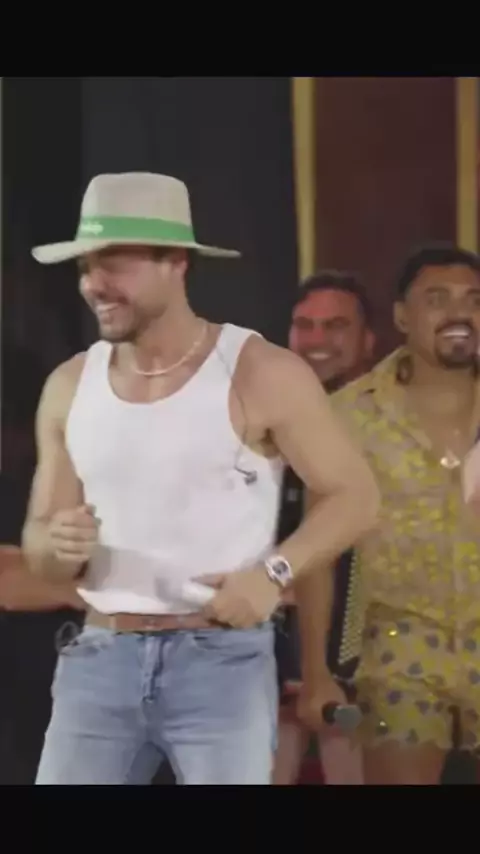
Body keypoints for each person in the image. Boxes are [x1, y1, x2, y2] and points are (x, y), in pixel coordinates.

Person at [21, 172, 379, 785]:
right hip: (99, 659)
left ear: (177, 262)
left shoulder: (258, 371)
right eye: (84, 266)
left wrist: (273, 574)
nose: (93, 284)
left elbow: (357, 497)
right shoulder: (69, 385)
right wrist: (53, 545)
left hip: (222, 662)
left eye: (114, 263)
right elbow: (39, 542)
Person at [298, 243, 480, 785]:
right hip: (400, 649)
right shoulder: (349, 414)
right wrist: (316, 672)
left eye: (474, 300)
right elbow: (316, 551)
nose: (459, 313)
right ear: (402, 316)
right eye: (437, 299)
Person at [273, 271, 375, 784]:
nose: (317, 340)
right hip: (268, 640)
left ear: (369, 339)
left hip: (370, 646)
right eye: (305, 325)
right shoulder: (264, 414)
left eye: (335, 326)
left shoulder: (390, 424)